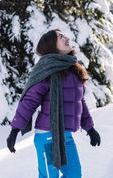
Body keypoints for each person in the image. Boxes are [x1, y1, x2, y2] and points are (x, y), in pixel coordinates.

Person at [6, 29, 101, 178]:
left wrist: (90, 129)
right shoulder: (47, 71)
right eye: (61, 37)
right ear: (52, 46)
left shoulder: (72, 69)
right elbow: (29, 101)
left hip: (66, 136)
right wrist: (15, 130)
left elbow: (79, 102)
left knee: (74, 175)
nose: (67, 38)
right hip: (47, 136)